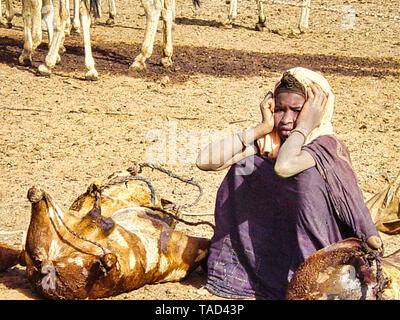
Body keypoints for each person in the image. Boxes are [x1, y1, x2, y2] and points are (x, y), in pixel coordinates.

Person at [196, 67, 382, 300]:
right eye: (280, 109)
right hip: (269, 263)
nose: (286, 119)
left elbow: (284, 167)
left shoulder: (326, 146)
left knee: (303, 176)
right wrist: (261, 128)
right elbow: (205, 162)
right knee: (247, 166)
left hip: (315, 265)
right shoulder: (270, 143)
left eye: (297, 110)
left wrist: (304, 127)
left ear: (316, 112)